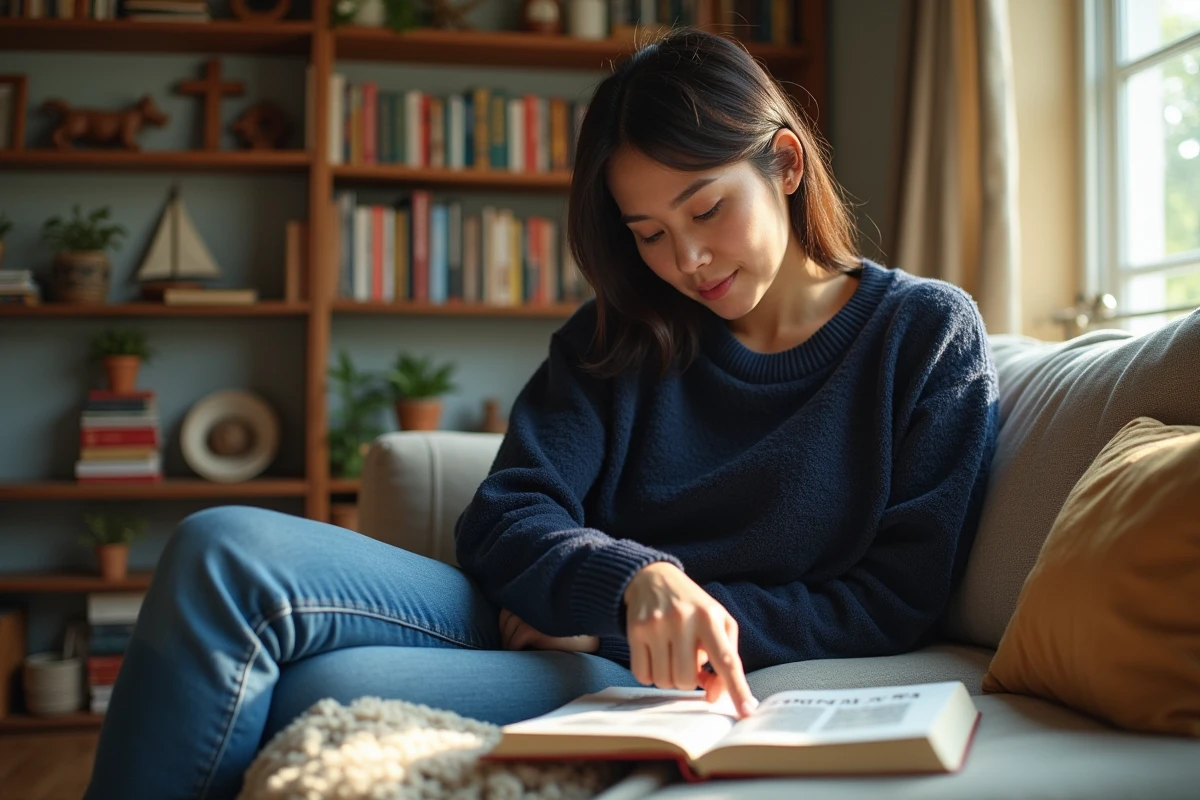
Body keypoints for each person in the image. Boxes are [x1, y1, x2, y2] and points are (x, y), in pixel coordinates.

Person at [84, 28, 999, 800]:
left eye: (707, 209)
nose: (685, 259)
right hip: (533, 613)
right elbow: (505, 517)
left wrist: (645, 620)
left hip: (623, 669)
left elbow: (894, 601)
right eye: (647, 233)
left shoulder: (923, 334)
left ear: (786, 163)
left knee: (315, 691)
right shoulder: (623, 331)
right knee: (219, 546)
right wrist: (632, 581)